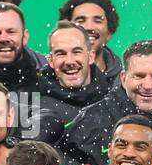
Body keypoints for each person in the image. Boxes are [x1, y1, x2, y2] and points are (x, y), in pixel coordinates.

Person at [29, 22, 112, 150]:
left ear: (90, 56)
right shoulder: (31, 103)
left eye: (76, 52)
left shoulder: (113, 100)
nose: (69, 61)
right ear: (50, 60)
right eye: (61, 53)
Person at [58, 0, 123, 80]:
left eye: (97, 21)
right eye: (80, 21)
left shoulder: (125, 81)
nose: (89, 27)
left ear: (109, 32)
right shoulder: (44, 80)